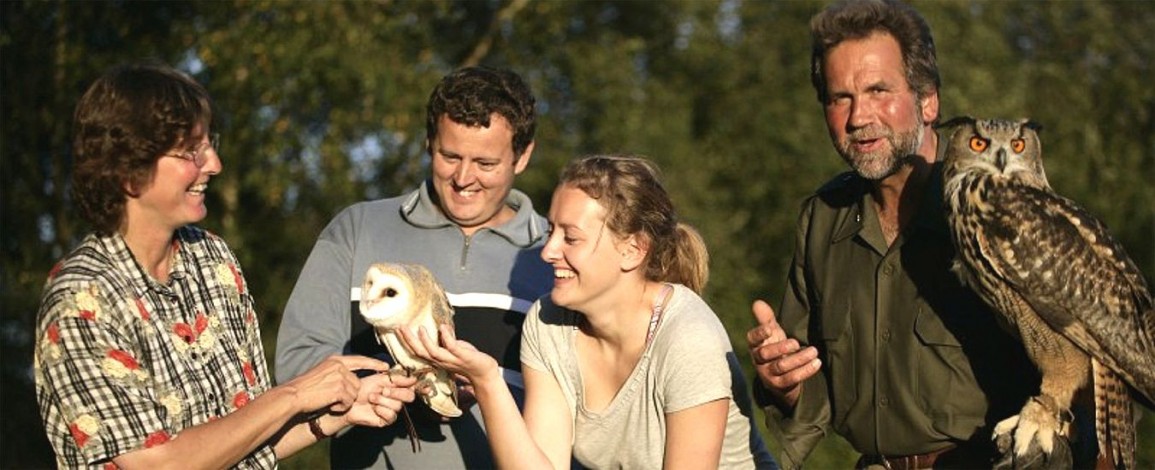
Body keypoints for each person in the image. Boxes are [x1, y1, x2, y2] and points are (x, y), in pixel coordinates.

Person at [33, 62, 417, 469]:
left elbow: (246, 438)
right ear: (129, 171)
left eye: (209, 143)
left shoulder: (212, 259)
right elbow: (159, 465)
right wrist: (295, 394)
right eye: (191, 151)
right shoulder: (80, 300)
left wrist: (330, 418)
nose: (213, 164)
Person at [744, 1, 1041, 468]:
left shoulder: (1001, 209)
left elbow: (1086, 378)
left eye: (879, 90)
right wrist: (785, 384)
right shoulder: (823, 219)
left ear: (928, 101)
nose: (859, 116)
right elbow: (816, 387)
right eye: (839, 97)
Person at [399, 155, 779, 469]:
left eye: (571, 237)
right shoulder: (548, 322)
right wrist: (488, 383)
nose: (548, 251)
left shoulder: (688, 338)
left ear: (633, 249)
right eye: (550, 231)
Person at [274, 65, 553, 468]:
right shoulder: (357, 230)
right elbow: (296, 365)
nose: (463, 177)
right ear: (428, 144)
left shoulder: (555, 256)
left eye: (485, 163)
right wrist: (390, 383)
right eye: (449, 155)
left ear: (523, 156)